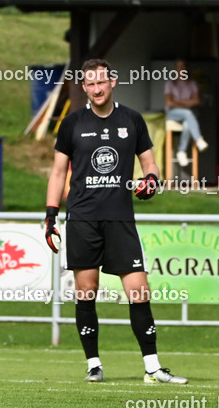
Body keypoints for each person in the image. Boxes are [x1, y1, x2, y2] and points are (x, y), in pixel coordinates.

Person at [45, 59, 187, 385]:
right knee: (86, 292)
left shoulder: (132, 120)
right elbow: (57, 173)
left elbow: (151, 165)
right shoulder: (71, 123)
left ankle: (153, 368)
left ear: (113, 82)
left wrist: (150, 183)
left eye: (101, 82)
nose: (96, 89)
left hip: (120, 218)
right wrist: (51, 214)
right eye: (90, 84)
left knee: (139, 291)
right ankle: (94, 364)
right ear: (83, 87)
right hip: (82, 218)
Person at [164, 59, 207, 167]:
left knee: (188, 124)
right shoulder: (170, 83)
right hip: (173, 114)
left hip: (189, 114)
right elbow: (169, 102)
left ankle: (181, 151)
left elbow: (197, 101)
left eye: (183, 66)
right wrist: (187, 103)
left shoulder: (192, 83)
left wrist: (177, 102)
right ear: (175, 69)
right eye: (179, 66)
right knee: (188, 113)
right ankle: (198, 139)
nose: (181, 69)